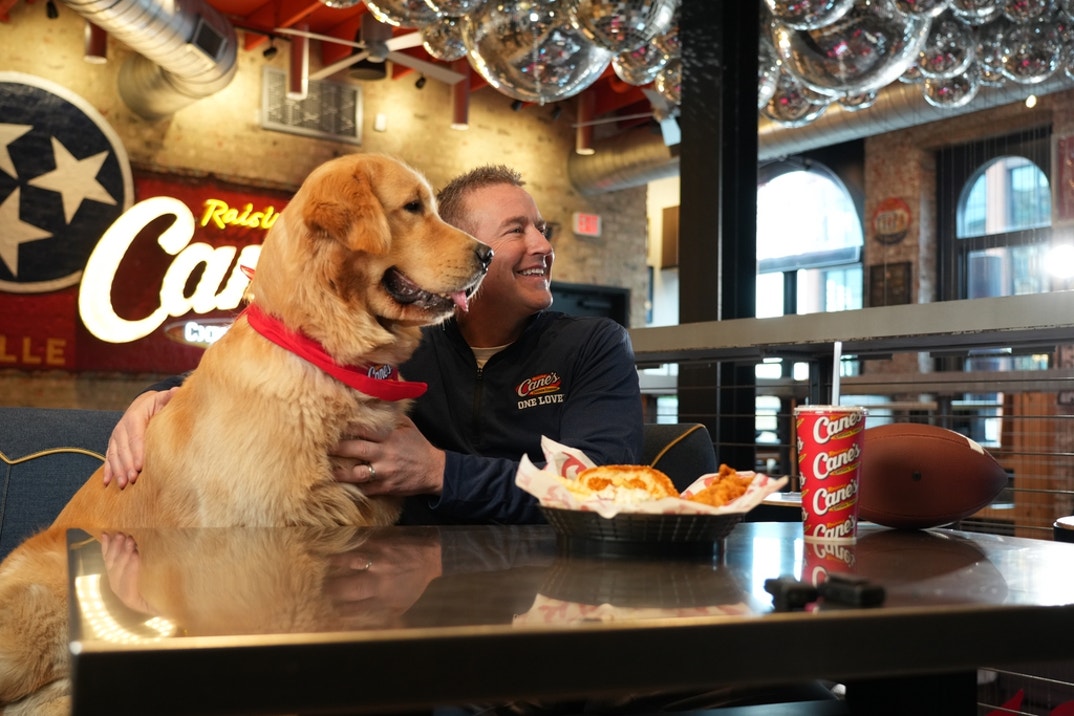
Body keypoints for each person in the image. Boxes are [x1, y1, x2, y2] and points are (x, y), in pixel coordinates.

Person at [103, 165, 644, 525]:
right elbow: (280, 373)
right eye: (516, 231)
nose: (543, 246)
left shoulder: (593, 344)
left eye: (541, 228)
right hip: (418, 593)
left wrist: (439, 472)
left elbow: (607, 488)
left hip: (554, 588)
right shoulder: (401, 346)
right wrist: (157, 399)